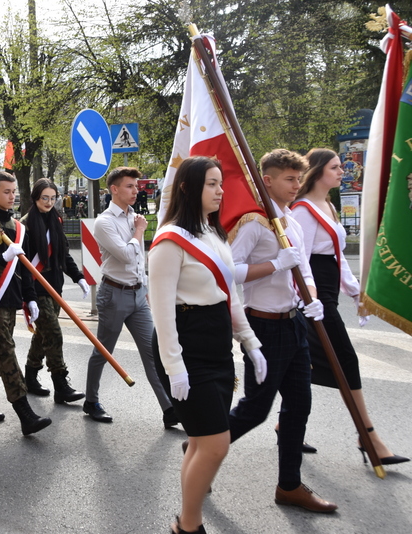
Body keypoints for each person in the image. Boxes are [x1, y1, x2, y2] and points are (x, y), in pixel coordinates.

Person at [150, 157, 265, 534]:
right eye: (212, 184)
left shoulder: (215, 235)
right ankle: (189, 526)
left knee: (201, 443)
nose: (220, 191)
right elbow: (162, 310)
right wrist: (174, 366)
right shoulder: (169, 242)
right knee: (216, 445)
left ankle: (185, 520)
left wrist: (249, 341)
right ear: (188, 187)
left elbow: (230, 296)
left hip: (216, 344)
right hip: (185, 345)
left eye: (221, 184)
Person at [228, 148, 337, 513]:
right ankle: (204, 449)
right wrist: (274, 264)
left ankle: (289, 485)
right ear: (267, 179)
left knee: (299, 405)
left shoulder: (291, 222)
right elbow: (230, 271)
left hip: (294, 323)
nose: (295, 185)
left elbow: (304, 272)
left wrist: (313, 299)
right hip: (263, 325)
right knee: (255, 410)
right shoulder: (254, 222)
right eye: (288, 179)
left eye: (298, 178)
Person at [292, 148, 408, 466]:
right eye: (335, 167)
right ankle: (368, 437)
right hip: (313, 299)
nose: (342, 171)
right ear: (317, 171)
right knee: (345, 360)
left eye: (342, 166)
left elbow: (338, 258)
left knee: (305, 366)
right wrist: (308, 300)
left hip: (327, 295)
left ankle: (286, 425)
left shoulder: (328, 205)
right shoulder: (302, 210)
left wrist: (357, 293)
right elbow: (299, 263)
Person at [84, 167, 177, 427]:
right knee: (103, 352)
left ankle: (169, 409)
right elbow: (125, 254)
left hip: (137, 295)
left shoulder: (134, 217)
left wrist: (144, 289)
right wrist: (139, 232)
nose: (136, 190)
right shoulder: (105, 222)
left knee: (152, 353)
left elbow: (138, 260)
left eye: (136, 186)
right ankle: (91, 401)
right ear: (114, 189)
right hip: (114, 295)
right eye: (130, 186)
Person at [0, 172, 51, 436]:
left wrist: (30, 297)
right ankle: (24, 412)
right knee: (6, 352)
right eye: (6, 192)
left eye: (14, 191)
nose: (12, 196)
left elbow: (25, 267)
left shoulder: (18, 228)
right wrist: (2, 258)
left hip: (10, 300)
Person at [21, 178, 88, 403]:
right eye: (44, 198)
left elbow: (63, 254)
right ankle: (61, 383)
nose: (49, 202)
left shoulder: (56, 220)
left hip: (55, 287)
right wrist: (28, 297)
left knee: (43, 335)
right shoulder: (25, 224)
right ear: (35, 198)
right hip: (36, 289)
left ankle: (30, 376)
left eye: (52, 198)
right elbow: (24, 265)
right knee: (55, 335)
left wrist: (78, 277)